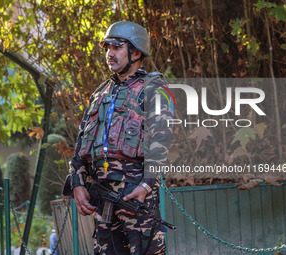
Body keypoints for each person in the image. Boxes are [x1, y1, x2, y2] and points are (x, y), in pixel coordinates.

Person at [68, 21, 173, 255]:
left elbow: (161, 143)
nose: (109, 54)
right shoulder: (100, 94)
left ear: (135, 52)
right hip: (102, 197)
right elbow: (80, 146)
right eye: (107, 47)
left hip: (135, 196)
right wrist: (77, 184)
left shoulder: (154, 89)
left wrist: (146, 185)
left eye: (116, 47)